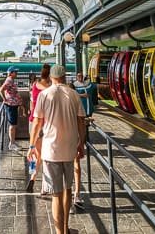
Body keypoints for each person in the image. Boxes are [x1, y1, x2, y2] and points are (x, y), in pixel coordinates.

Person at [28, 65, 86, 234]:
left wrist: (32, 145)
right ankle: (66, 228)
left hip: (50, 149)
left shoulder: (45, 95)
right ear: (64, 76)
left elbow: (37, 122)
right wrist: (81, 143)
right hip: (69, 148)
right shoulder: (74, 94)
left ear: (52, 78)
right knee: (68, 189)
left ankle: (60, 232)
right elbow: (81, 121)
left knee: (56, 194)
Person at [27, 64, 52, 193]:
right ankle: (43, 183)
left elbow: (32, 102)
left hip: (32, 121)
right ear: (50, 76)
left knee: (36, 152)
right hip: (45, 123)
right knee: (43, 154)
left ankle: (33, 175)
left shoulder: (35, 85)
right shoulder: (50, 89)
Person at [71, 71, 91, 207]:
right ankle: (77, 194)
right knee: (76, 166)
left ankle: (63, 196)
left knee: (64, 169)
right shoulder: (77, 103)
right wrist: (82, 143)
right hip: (75, 138)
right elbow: (81, 122)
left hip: (60, 142)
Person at [0, 66, 22, 151]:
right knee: (12, 125)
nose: (17, 73)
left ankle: (12, 142)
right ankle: (11, 144)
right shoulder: (9, 80)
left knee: (14, 124)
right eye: (15, 72)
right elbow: (1, 90)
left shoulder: (11, 80)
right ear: (11, 73)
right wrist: (4, 99)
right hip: (11, 105)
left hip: (13, 105)